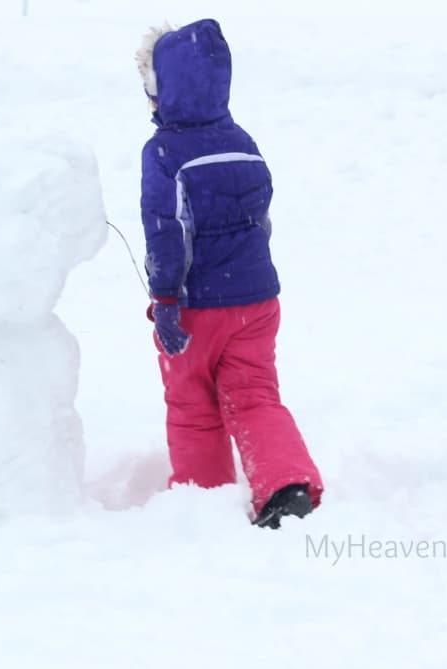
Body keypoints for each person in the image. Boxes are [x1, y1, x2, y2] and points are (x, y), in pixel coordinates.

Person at [134, 18, 324, 528]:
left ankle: (203, 496)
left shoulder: (165, 152)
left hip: (198, 308)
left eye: (151, 88)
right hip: (259, 302)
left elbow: (164, 229)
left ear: (166, 91)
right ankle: (284, 484)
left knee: (193, 404)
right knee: (255, 397)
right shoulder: (242, 140)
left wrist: (166, 298)